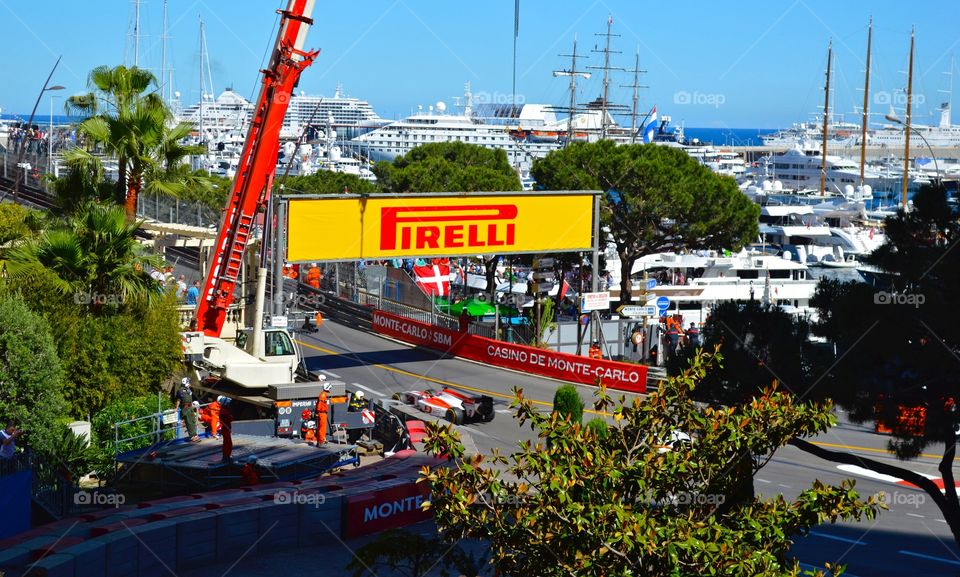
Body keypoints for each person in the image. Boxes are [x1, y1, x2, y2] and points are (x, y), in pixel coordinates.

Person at [174, 378, 200, 442]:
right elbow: (178, 399)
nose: (189, 383)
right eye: (188, 382)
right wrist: (176, 408)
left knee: (193, 420)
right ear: (185, 382)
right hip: (185, 408)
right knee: (189, 421)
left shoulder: (188, 390)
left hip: (190, 407)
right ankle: (192, 436)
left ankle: (195, 435)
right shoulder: (180, 390)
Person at [219, 396, 234, 464]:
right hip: (226, 429)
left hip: (226, 429)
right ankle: (226, 457)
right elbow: (230, 418)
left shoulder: (224, 410)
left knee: (227, 443)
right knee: (228, 443)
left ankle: (226, 456)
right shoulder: (224, 411)